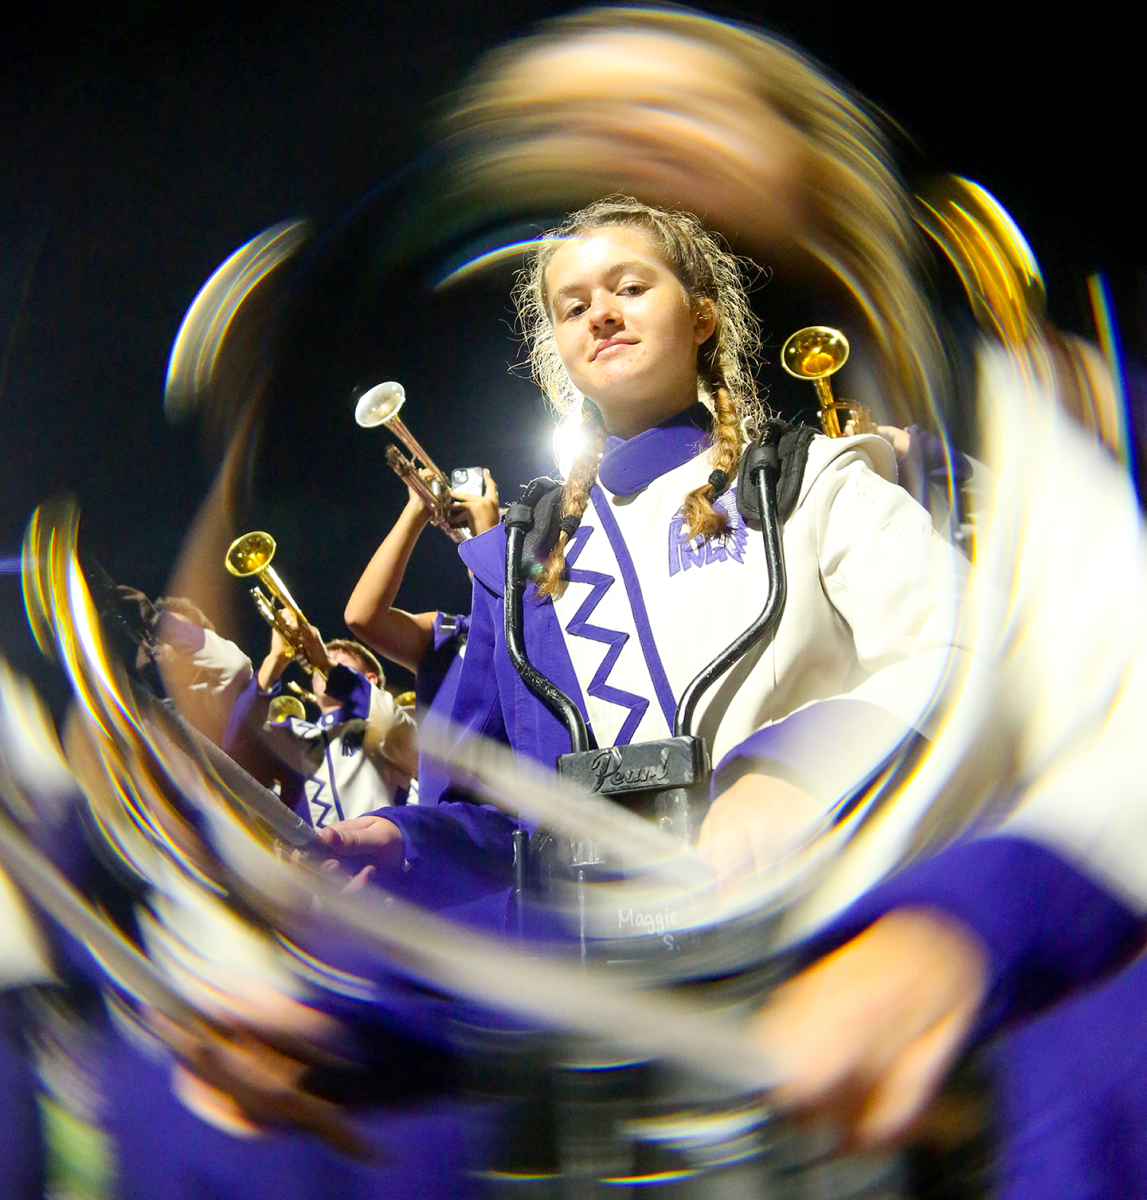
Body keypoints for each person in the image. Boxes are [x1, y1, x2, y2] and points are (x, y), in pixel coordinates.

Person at [318, 195, 972, 921]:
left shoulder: (807, 479)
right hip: (610, 973)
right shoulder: (524, 558)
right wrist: (408, 842)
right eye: (572, 308)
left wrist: (793, 772)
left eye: (630, 288)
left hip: (821, 921)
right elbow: (512, 820)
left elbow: (958, 649)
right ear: (560, 352)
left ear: (700, 316)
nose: (600, 313)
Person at [344, 468, 500, 807]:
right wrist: (416, 510)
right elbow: (362, 616)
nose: (476, 544)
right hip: (443, 829)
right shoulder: (447, 633)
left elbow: (507, 623)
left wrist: (490, 534)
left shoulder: (535, 623)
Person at [224, 619, 417, 830]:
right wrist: (276, 660)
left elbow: (401, 732)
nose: (318, 665)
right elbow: (232, 752)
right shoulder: (293, 732)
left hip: (383, 859)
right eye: (319, 664)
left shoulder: (385, 724)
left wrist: (326, 664)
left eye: (338, 661)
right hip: (307, 862)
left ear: (370, 680)